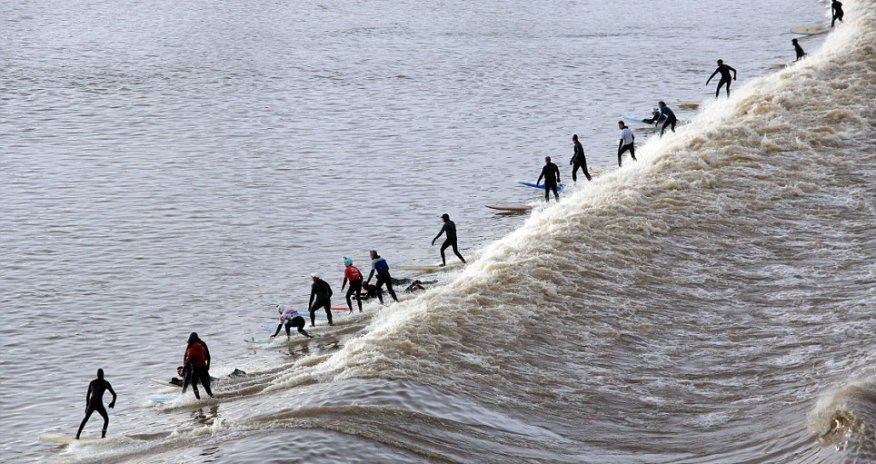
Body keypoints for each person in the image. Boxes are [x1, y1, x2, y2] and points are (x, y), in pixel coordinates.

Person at [76, 369, 116, 439]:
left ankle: (77, 435)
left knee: (86, 419)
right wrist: (112, 403)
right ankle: (103, 436)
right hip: (97, 404)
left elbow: (88, 395)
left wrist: (87, 405)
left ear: (97, 375)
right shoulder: (105, 383)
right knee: (106, 419)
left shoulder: (93, 382)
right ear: (103, 375)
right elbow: (114, 395)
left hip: (93, 403)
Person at [182, 332, 213, 399]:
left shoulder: (192, 347)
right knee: (205, 383)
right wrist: (207, 365)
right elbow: (207, 356)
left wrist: (184, 369)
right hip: (202, 366)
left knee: (193, 383)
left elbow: (187, 359)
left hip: (195, 368)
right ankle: (211, 395)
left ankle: (197, 398)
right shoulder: (201, 346)